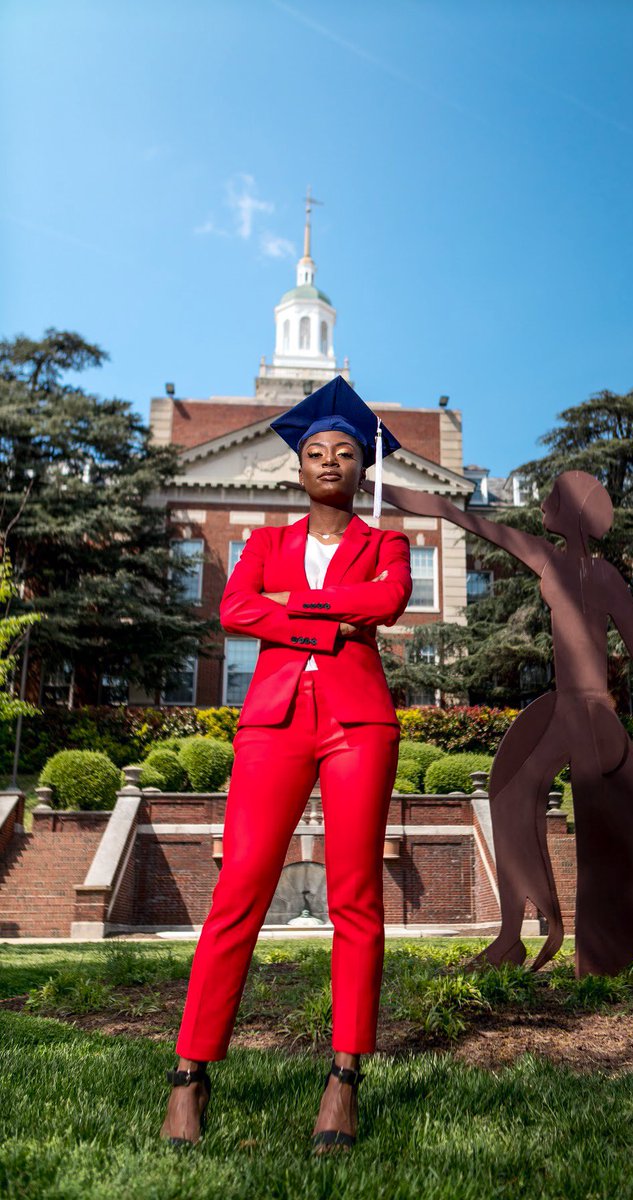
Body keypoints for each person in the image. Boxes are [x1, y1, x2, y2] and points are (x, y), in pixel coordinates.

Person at [160, 376, 412, 1152]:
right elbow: (235, 609)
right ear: (296, 469)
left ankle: (344, 1078)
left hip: (358, 725)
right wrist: (329, 619)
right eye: (314, 451)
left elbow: (390, 600)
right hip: (272, 724)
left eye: (343, 451)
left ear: (363, 469)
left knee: (355, 898)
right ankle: (189, 1075)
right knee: (239, 889)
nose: (329, 460)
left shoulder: (385, 544)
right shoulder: (264, 545)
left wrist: (293, 612)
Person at [368, 471, 633, 982]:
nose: (542, 504)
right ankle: (518, 938)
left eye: (553, 499)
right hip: (562, 708)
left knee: (607, 842)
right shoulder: (547, 557)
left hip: (589, 717)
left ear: (576, 514)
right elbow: (453, 513)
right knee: (510, 791)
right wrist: (373, 485)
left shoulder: (602, 577)